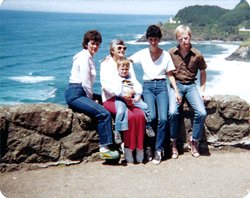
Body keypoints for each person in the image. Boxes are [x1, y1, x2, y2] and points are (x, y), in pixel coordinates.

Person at [129, 25, 181, 165]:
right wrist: (110, 59)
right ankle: (149, 147)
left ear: (159, 39)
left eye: (155, 39)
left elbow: (170, 74)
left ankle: (159, 149)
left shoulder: (165, 55)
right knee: (151, 117)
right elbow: (126, 62)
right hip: (147, 87)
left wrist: (176, 91)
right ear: (148, 39)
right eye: (151, 39)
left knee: (163, 119)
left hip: (162, 87)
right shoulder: (142, 54)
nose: (153, 42)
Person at [65, 30, 119, 160]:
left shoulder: (88, 57)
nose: (95, 46)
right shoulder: (84, 57)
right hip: (76, 93)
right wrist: (90, 99)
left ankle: (117, 136)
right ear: (86, 43)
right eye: (93, 43)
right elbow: (85, 82)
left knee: (108, 101)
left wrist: (109, 59)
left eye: (98, 44)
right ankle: (104, 148)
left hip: (80, 91)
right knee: (103, 113)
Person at [100, 39, 146, 164]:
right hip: (112, 98)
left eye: (124, 48)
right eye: (119, 48)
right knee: (129, 116)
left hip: (129, 97)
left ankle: (139, 147)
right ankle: (128, 148)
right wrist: (122, 94)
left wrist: (136, 95)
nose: (122, 50)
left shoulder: (126, 63)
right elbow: (105, 86)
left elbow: (134, 81)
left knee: (140, 115)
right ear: (112, 50)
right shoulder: (105, 64)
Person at [168, 24, 207, 158]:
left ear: (190, 37)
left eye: (186, 38)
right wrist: (176, 91)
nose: (184, 41)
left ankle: (194, 141)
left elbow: (203, 72)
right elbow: (169, 73)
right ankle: (173, 143)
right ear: (177, 39)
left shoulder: (197, 54)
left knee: (202, 112)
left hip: (191, 86)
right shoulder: (171, 53)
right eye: (180, 39)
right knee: (173, 112)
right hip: (176, 85)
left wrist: (202, 90)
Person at [113, 57, 155, 145]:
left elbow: (137, 86)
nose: (124, 71)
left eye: (126, 69)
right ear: (118, 69)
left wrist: (138, 95)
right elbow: (115, 90)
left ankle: (148, 125)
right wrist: (123, 95)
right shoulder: (116, 78)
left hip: (132, 97)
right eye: (122, 69)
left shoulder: (131, 78)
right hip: (121, 98)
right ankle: (117, 131)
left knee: (145, 107)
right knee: (120, 111)